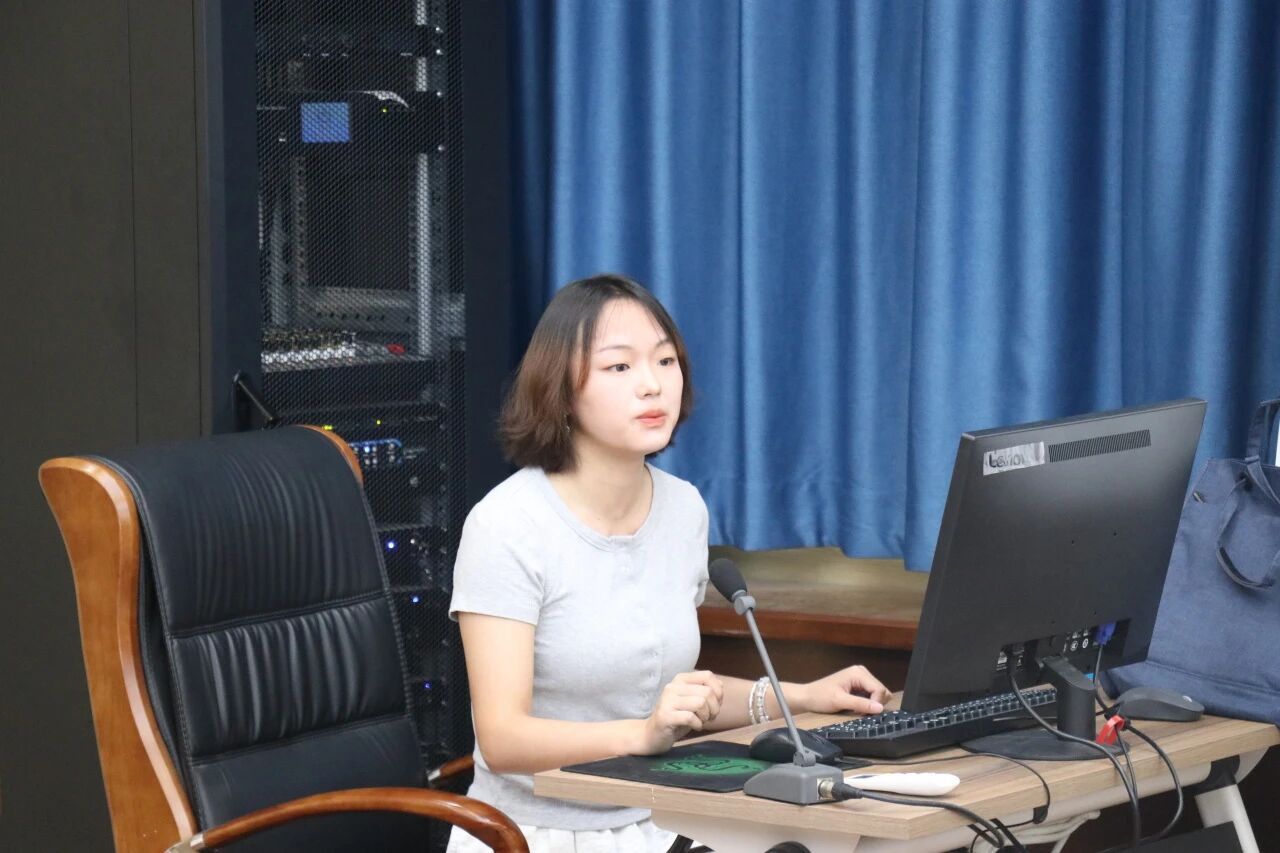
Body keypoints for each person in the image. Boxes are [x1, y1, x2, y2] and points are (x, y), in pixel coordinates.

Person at [446, 274, 891, 853]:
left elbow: (675, 702)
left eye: (665, 360)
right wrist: (643, 733)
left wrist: (801, 697)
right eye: (619, 366)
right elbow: (503, 739)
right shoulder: (507, 525)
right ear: (560, 388)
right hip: (537, 833)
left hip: (662, 819)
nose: (652, 385)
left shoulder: (683, 508)